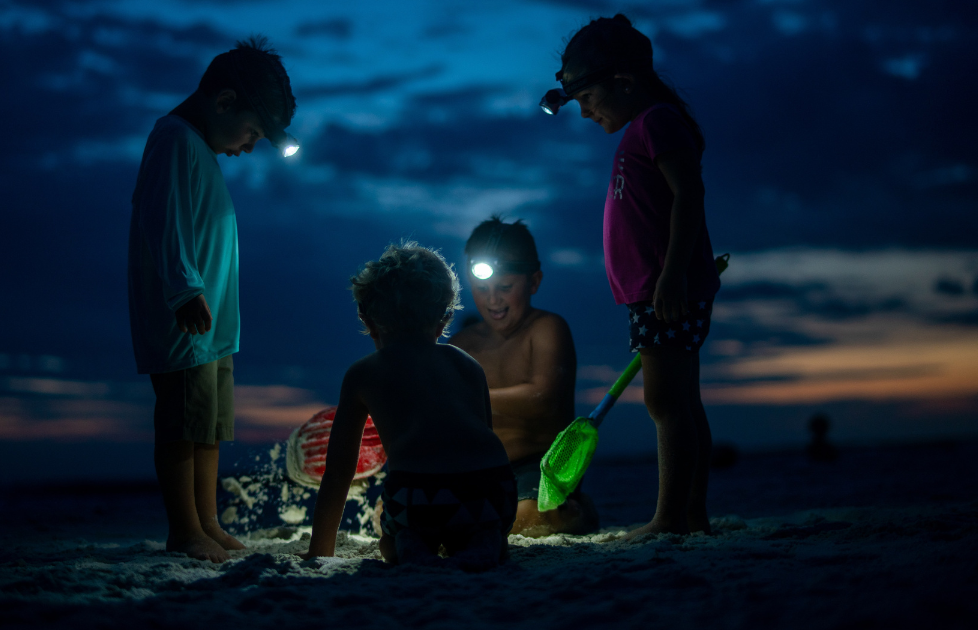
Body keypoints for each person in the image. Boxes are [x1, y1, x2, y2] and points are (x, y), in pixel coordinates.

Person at [544, 15, 720, 538]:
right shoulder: (645, 128)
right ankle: (690, 514)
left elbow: (689, 195)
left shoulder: (657, 121)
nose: (584, 110)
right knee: (681, 400)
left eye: (587, 97)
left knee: (666, 401)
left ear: (623, 81)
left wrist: (669, 276)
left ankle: (670, 519)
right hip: (656, 292)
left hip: (667, 291)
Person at [127, 37, 297, 563]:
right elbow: (166, 221)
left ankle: (207, 521)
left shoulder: (199, 147)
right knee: (182, 422)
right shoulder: (175, 139)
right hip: (186, 320)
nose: (249, 147)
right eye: (251, 133)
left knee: (208, 425)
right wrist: (184, 290)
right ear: (224, 102)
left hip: (214, 326)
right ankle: (184, 529)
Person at [303, 243, 516, 570]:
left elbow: (339, 472)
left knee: (389, 538)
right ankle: (486, 541)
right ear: (444, 319)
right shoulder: (468, 365)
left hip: (421, 495)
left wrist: (319, 551)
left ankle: (409, 546)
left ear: (367, 320)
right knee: (474, 523)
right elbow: (485, 436)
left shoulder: (364, 373)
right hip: (492, 490)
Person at [449, 217, 598, 536]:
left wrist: (465, 398)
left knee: (527, 521)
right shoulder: (460, 345)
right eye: (482, 289)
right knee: (406, 516)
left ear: (534, 282)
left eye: (505, 287)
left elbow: (542, 399)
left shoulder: (546, 329)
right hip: (477, 469)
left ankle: (576, 511)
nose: (493, 300)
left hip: (538, 466)